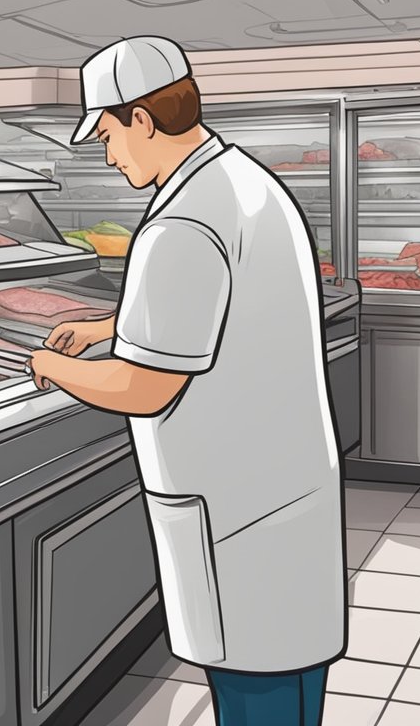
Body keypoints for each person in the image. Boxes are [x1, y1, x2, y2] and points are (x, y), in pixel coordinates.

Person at [27, 36, 346, 726]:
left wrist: (56, 368)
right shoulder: (245, 185)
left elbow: (147, 389)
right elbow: (218, 314)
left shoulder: (179, 222)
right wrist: (112, 329)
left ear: (142, 118)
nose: (111, 154)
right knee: (292, 676)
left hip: (229, 505)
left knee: (252, 686)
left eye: (108, 133)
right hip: (284, 488)